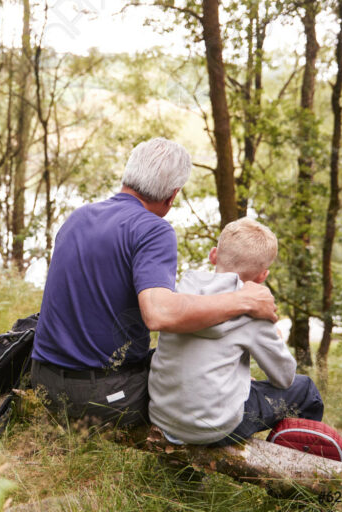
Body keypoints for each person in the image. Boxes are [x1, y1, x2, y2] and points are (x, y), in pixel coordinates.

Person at [30, 137, 278, 428]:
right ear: (172, 196)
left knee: (185, 365)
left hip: (44, 381)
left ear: (129, 174)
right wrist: (244, 299)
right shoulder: (153, 229)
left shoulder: (79, 217)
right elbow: (159, 314)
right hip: (97, 397)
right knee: (209, 399)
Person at [148, 218, 324, 445]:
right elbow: (284, 377)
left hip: (163, 416)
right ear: (262, 276)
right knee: (306, 389)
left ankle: (185, 478)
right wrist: (277, 337)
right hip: (212, 429)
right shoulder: (254, 313)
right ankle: (298, 461)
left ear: (213, 255)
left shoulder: (180, 293)